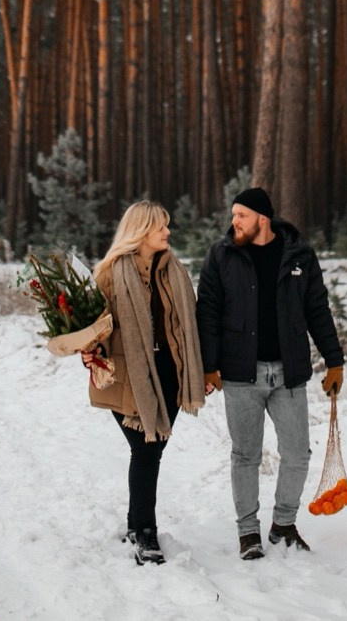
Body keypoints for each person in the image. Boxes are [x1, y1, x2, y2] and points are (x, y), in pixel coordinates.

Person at [196, 187, 344, 560]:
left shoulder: (299, 255)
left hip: (288, 372)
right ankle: (248, 532)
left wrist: (334, 360)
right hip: (239, 374)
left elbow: (317, 308)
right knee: (245, 455)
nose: (234, 221)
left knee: (297, 454)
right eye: (233, 215)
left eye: (241, 215)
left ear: (262, 218)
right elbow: (208, 311)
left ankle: (283, 524)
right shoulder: (222, 255)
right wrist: (209, 366)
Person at [87, 201, 205, 566]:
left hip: (171, 373)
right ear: (141, 231)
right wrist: (90, 349)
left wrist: (203, 369)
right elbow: (94, 327)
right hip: (129, 377)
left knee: (153, 450)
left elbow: (190, 321)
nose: (168, 232)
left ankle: (135, 524)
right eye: (160, 227)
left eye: (167, 226)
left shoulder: (175, 272)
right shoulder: (110, 275)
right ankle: (144, 532)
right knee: (145, 450)